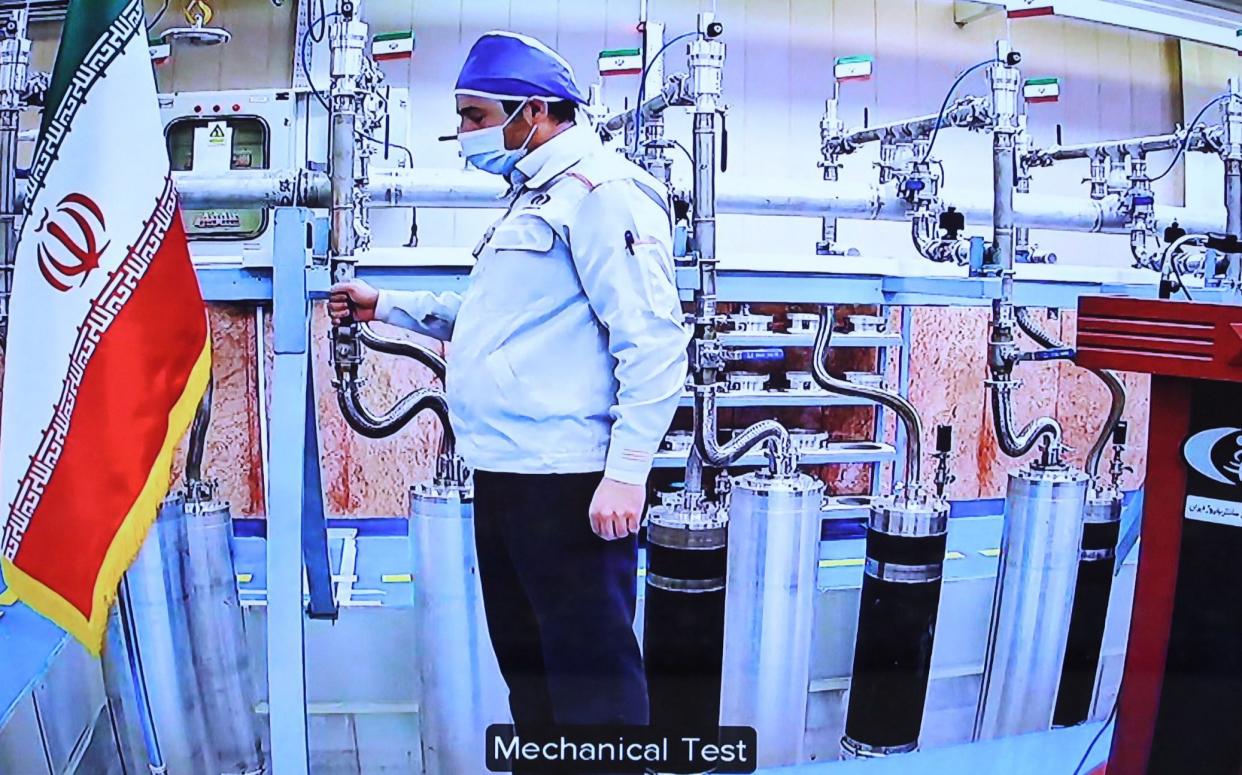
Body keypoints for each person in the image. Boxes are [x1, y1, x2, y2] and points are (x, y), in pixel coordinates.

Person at [328, 31, 689, 735]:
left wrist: (628, 471)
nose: (464, 134)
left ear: (535, 111)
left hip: (571, 484)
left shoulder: (603, 193)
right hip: (506, 478)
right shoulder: (530, 198)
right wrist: (389, 306)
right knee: (532, 683)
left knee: (595, 693)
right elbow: (494, 320)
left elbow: (653, 340)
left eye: (475, 116)